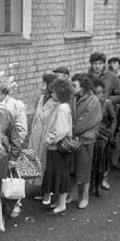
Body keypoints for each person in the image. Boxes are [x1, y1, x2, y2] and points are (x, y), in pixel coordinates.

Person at [0, 77, 27, 219]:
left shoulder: (6, 114)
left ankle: (3, 213)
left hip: (3, 156)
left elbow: (15, 137)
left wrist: (14, 157)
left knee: (2, 185)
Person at [40, 78, 74, 215]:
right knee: (57, 174)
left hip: (57, 147)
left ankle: (62, 204)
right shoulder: (61, 106)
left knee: (60, 174)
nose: (51, 95)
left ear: (60, 93)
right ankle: (59, 202)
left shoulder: (62, 108)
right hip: (57, 147)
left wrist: (49, 140)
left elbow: (60, 130)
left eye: (53, 92)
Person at [70, 73, 102, 210]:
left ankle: (84, 197)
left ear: (83, 86)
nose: (72, 87)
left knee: (84, 169)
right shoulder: (74, 97)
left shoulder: (93, 100)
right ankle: (73, 194)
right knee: (72, 168)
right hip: (74, 137)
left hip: (86, 139)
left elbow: (87, 121)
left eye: (75, 85)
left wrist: (70, 130)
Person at [28, 73, 58, 197]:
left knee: (47, 166)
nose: (41, 86)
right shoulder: (40, 99)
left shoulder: (55, 102)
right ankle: (40, 189)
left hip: (46, 137)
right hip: (36, 135)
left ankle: (47, 192)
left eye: (43, 84)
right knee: (35, 163)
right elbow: (36, 117)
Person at [91, 78, 116, 196]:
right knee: (93, 161)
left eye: (102, 93)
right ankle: (92, 182)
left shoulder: (107, 103)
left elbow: (114, 119)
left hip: (104, 136)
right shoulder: (90, 104)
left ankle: (102, 181)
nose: (100, 95)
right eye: (97, 93)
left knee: (102, 161)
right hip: (93, 135)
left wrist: (110, 131)